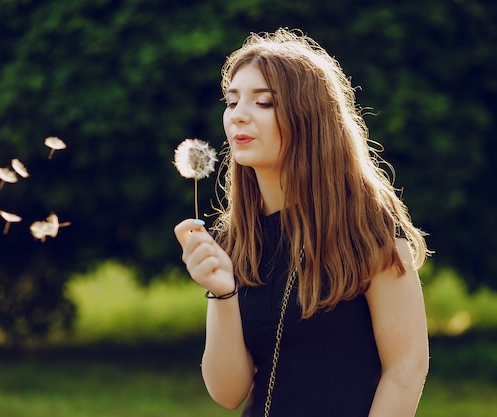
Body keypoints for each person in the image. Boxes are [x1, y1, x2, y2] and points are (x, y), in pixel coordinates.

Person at [174, 28, 430, 417]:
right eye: (232, 100)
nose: (238, 114)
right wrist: (222, 293)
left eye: (263, 102)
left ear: (308, 119)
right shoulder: (237, 240)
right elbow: (228, 393)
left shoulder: (367, 228)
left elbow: (406, 369)